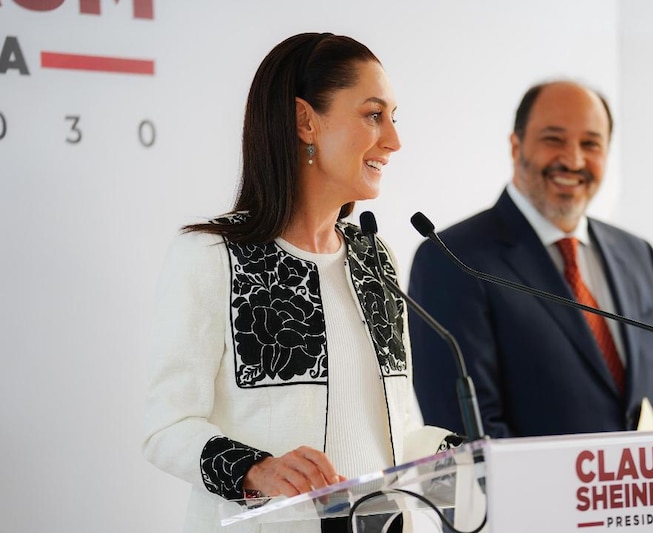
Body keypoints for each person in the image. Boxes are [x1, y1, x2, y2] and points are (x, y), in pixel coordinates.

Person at [143, 32, 454, 533]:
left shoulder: (377, 260)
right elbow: (166, 427)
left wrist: (459, 451)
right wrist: (256, 468)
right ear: (305, 121)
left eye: (394, 118)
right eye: (374, 115)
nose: (393, 140)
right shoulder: (212, 256)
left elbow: (390, 433)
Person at [408, 80, 653, 440]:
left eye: (590, 144)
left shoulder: (638, 255)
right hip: (526, 496)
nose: (573, 159)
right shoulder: (452, 259)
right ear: (516, 147)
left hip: (639, 495)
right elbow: (469, 434)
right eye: (553, 139)